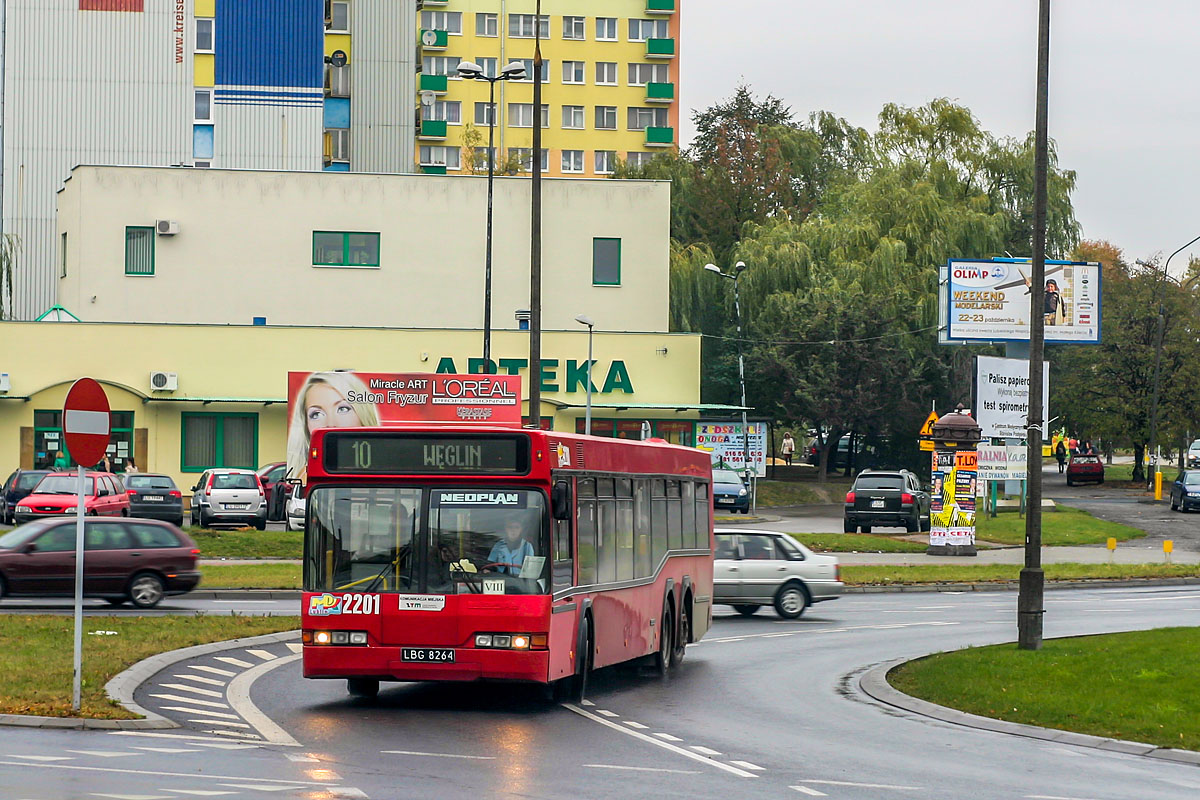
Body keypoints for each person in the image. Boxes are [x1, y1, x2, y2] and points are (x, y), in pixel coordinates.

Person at [286, 372, 380, 483]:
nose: (330, 424)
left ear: (363, 413)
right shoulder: (304, 477)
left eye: (342, 409)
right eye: (317, 414)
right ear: (306, 425)